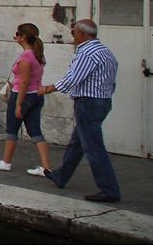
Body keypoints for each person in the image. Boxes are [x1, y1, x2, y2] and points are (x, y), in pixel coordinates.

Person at [40, 19, 121, 202]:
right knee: (77, 143)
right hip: (103, 101)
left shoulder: (86, 52)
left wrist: (48, 89)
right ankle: (61, 175)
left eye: (73, 32)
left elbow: (72, 78)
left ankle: (109, 189)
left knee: (94, 148)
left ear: (82, 34)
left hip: (88, 103)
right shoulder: (105, 51)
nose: (73, 35)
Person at [0, 23, 51, 176]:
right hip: (37, 95)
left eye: (17, 34)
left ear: (23, 37)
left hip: (23, 95)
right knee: (35, 131)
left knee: (12, 130)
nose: (15, 37)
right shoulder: (38, 55)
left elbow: (24, 81)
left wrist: (17, 104)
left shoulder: (25, 57)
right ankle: (46, 167)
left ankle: (6, 162)